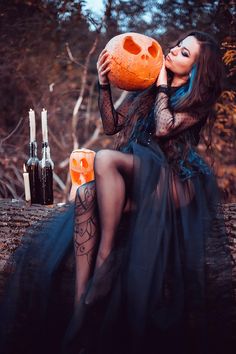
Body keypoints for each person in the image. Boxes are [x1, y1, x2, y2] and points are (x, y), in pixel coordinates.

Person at [0, 30, 234, 354]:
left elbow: (165, 126)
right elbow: (112, 124)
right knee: (84, 196)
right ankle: (83, 306)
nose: (174, 51)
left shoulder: (194, 103)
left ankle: (105, 263)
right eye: (178, 45)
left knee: (106, 157)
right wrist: (104, 85)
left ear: (195, 70)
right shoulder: (151, 93)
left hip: (172, 181)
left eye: (184, 54)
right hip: (140, 174)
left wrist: (164, 86)